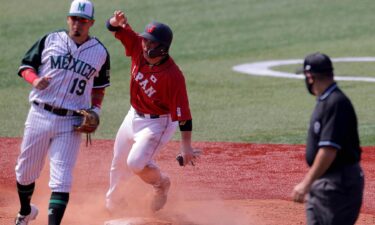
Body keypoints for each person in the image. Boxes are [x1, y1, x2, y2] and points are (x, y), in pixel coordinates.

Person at [14, 0, 110, 224]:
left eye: (83, 21)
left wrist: (96, 110)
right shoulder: (51, 40)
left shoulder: (100, 52)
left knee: (62, 179)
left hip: (71, 121)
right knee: (25, 172)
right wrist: (34, 79)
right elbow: (25, 66)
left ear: (91, 23)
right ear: (68, 19)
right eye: (75, 19)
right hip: (39, 114)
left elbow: (99, 87)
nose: (78, 24)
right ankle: (26, 211)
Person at [105, 10, 196, 213]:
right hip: (133, 114)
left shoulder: (173, 76)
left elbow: (184, 116)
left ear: (163, 48)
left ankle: (161, 184)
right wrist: (116, 21)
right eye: (145, 40)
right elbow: (111, 27)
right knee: (118, 161)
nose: (145, 45)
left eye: (151, 43)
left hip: (158, 123)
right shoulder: (138, 46)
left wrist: (186, 147)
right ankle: (113, 205)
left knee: (135, 163)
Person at [292, 52, 364, 225]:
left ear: (310, 77)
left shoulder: (335, 103)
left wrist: (305, 183)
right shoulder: (325, 101)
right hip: (326, 183)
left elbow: (328, 150)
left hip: (338, 185)